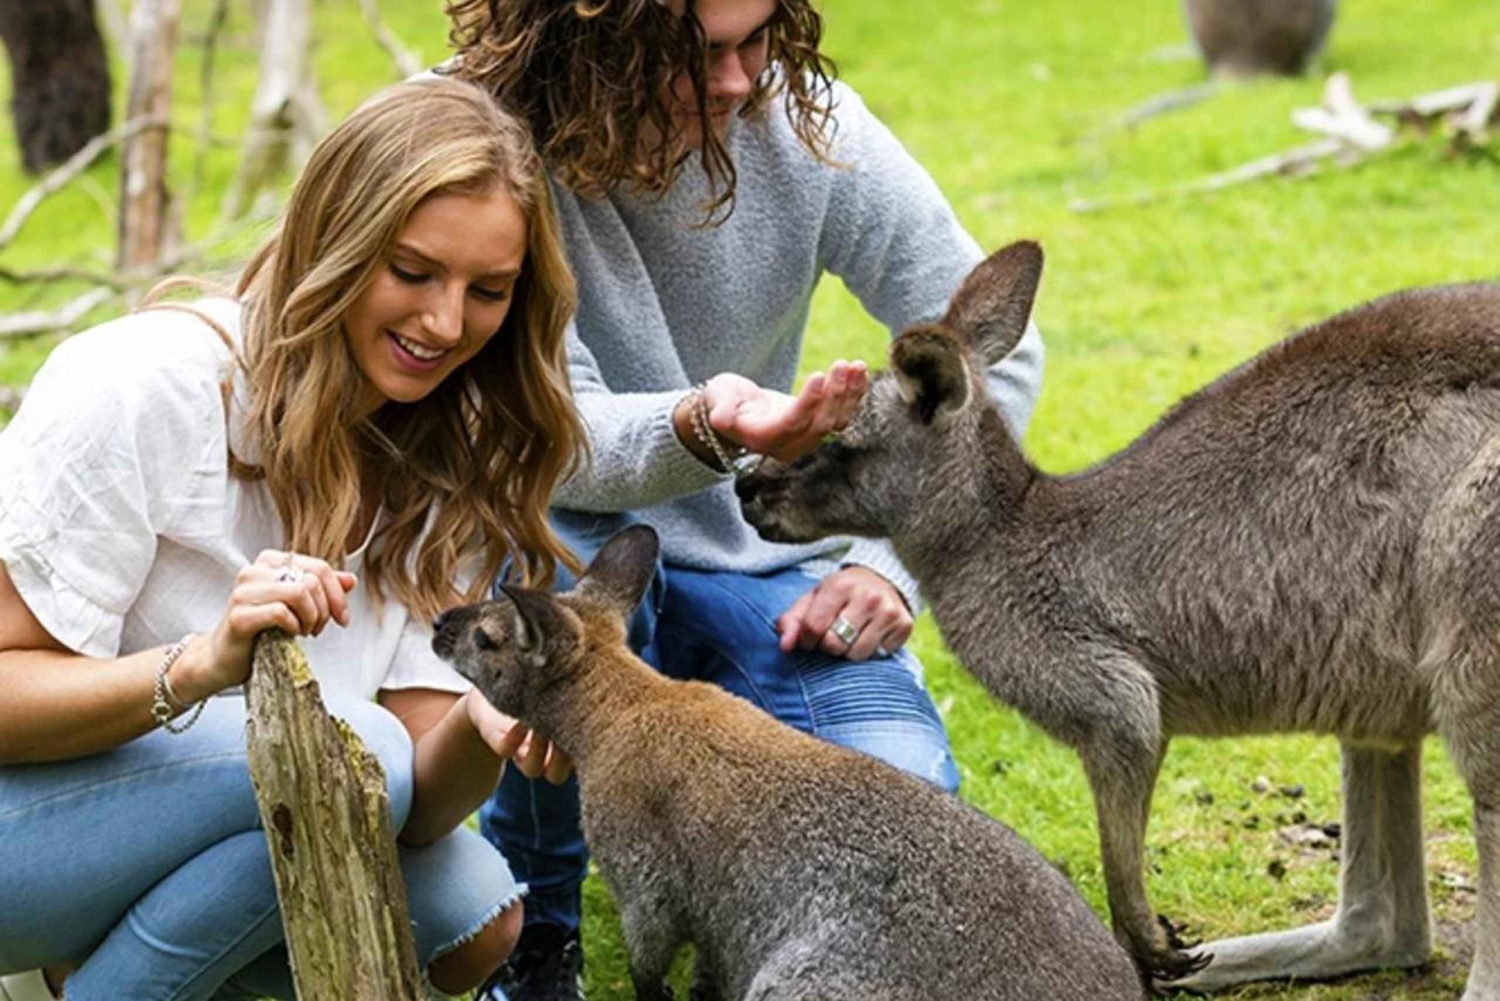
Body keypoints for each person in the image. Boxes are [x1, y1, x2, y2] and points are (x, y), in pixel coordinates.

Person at [443, 1, 1046, 998]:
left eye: (756, 40)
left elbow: (996, 360)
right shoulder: (485, 145)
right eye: (692, 54)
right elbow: (549, 434)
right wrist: (709, 427)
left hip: (758, 558)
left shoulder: (808, 125)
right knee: (534, 607)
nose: (735, 81)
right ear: (588, 41)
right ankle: (536, 917)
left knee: (905, 799)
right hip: (560, 543)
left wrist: (889, 558)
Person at [0, 77, 585, 1001]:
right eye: (412, 270)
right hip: (28, 830)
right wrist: (198, 668)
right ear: (334, 241)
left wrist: (482, 717)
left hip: (231, 825)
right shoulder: (144, 384)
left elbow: (418, 808)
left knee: (469, 903)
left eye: (488, 291)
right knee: (357, 750)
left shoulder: (451, 465)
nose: (444, 323)